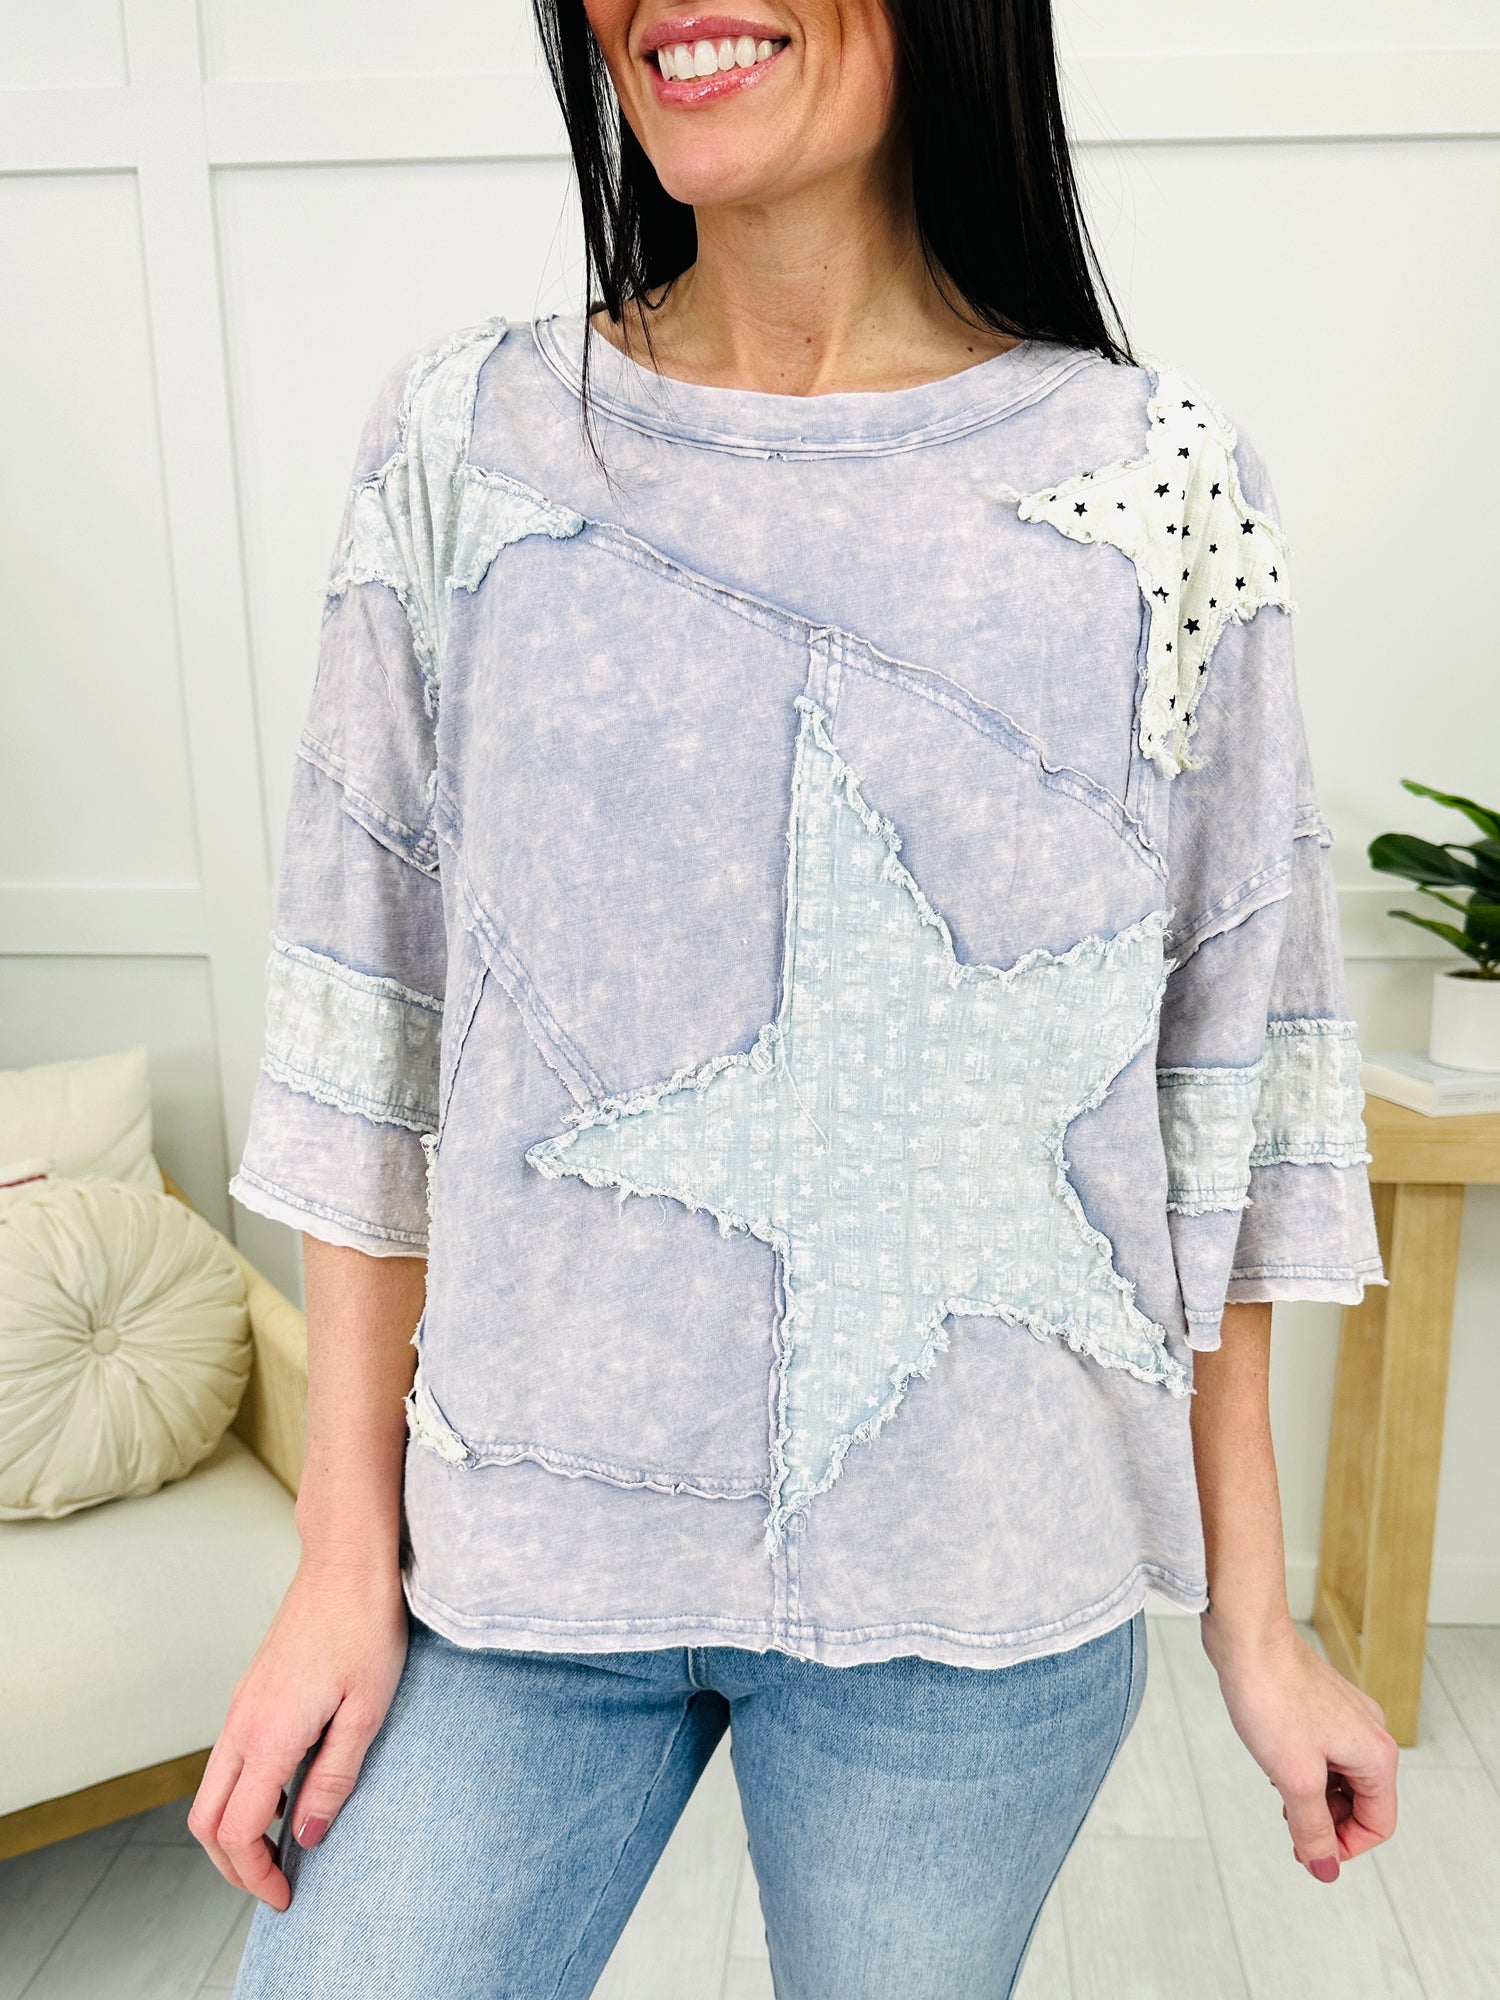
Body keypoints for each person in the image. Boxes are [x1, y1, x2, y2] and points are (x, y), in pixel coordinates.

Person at [192, 3, 1400, 1994]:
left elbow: (1224, 1084)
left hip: (976, 1584)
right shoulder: (465, 440)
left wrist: (1255, 1623)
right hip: (519, 1567)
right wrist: (341, 1564)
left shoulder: (1153, 480)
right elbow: (366, 1021)